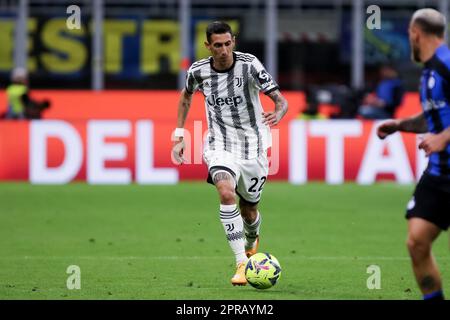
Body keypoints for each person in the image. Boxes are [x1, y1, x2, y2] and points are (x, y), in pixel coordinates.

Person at [172, 21, 288, 286]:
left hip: (253, 148)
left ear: (233, 41)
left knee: (249, 210)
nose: (223, 50)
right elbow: (186, 96)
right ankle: (241, 263)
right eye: (217, 45)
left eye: (227, 44)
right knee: (225, 191)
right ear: (207, 46)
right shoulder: (198, 71)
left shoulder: (250, 65)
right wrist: (178, 135)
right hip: (219, 144)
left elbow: (281, 100)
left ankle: (251, 239)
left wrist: (279, 112)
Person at [377, 8, 450, 300]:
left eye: (409, 34)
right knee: (417, 241)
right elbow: (433, 115)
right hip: (438, 173)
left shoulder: (446, 63)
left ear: (415, 33)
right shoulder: (429, 70)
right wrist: (401, 125)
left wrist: (444, 138)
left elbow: (442, 130)